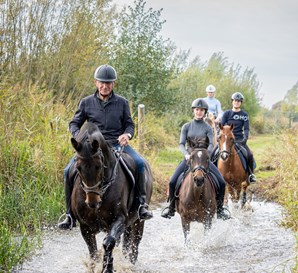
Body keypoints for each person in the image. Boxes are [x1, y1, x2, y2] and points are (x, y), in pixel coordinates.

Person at [58, 64, 153, 230]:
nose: (105, 86)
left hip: (116, 144)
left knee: (139, 163)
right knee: (67, 171)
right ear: (96, 83)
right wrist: (77, 136)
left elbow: (129, 125)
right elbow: (74, 123)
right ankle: (69, 215)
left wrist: (127, 135)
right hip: (91, 150)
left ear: (113, 84)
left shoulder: (122, 102)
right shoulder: (86, 102)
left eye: (108, 83)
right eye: (102, 82)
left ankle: (141, 205)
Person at [161, 98, 230, 220]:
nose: (199, 112)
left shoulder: (208, 128)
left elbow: (211, 144)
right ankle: (171, 208)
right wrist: (186, 154)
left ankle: (220, 209)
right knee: (172, 181)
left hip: (204, 159)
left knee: (221, 182)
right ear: (193, 110)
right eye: (197, 110)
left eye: (201, 110)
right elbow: (181, 144)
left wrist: (207, 154)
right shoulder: (186, 126)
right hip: (190, 158)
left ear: (205, 112)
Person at [221, 92, 257, 184]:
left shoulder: (244, 114)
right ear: (232, 102)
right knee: (214, 154)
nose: (236, 102)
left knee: (249, 155)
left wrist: (245, 138)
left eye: (238, 101)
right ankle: (213, 174)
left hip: (239, 140)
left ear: (241, 102)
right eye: (235, 101)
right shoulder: (227, 113)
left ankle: (250, 175)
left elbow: (246, 128)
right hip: (227, 140)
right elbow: (221, 127)